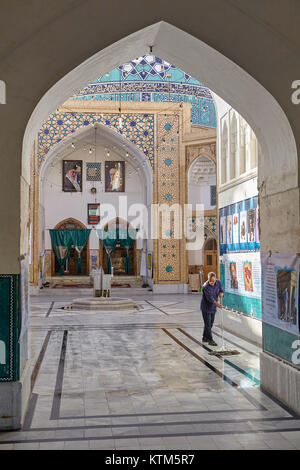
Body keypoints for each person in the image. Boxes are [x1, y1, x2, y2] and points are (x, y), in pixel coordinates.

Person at [201, 272, 224, 346]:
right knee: (208, 324)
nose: (211, 282)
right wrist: (218, 305)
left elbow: (221, 290)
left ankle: (205, 337)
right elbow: (210, 299)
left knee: (210, 324)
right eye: (210, 281)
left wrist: (221, 293)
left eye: (213, 281)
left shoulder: (218, 282)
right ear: (208, 279)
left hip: (213, 308)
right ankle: (210, 340)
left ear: (215, 279)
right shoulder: (205, 286)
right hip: (206, 307)